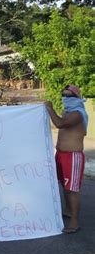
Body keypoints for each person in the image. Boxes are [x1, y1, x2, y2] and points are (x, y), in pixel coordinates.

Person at [45, 85, 88, 234]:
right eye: (64, 95)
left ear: (76, 97)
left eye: (69, 95)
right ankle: (69, 211)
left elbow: (60, 123)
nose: (66, 98)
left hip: (73, 156)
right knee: (64, 186)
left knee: (72, 189)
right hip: (62, 155)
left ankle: (74, 221)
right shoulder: (67, 112)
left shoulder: (78, 114)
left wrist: (50, 109)